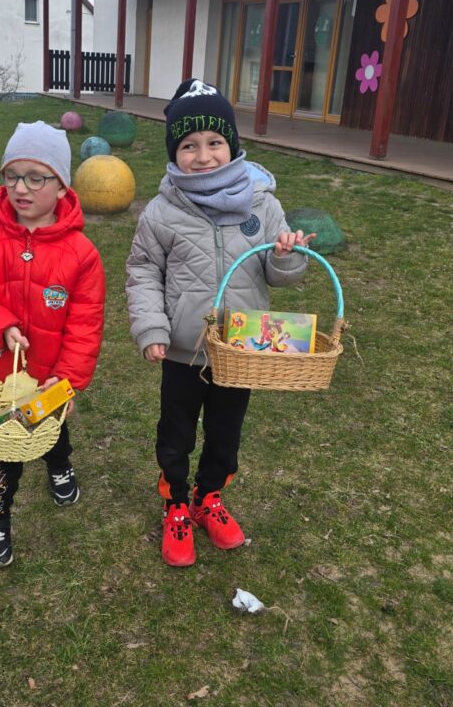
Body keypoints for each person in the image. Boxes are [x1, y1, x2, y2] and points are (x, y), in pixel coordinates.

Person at [126, 79, 313, 567]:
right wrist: (152, 329)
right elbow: (143, 272)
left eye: (214, 142)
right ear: (174, 152)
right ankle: (175, 503)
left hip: (241, 349)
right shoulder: (162, 211)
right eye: (189, 145)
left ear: (232, 144)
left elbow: (280, 274)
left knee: (226, 433)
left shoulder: (262, 204)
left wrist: (286, 256)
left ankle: (208, 497)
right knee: (176, 433)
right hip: (183, 351)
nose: (204, 156)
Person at [0, 121, 106, 569]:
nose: (21, 188)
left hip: (48, 376)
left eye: (36, 177)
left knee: (49, 430)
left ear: (62, 186)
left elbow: (85, 325)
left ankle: (59, 465)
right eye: (12, 175)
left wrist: (67, 380)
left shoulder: (82, 255)